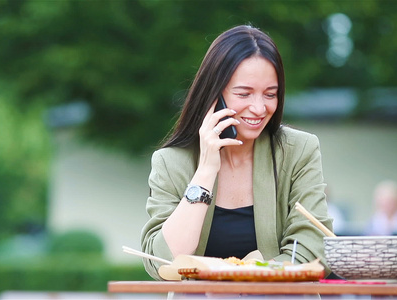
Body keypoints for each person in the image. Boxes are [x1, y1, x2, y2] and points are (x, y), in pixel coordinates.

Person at [141, 25, 333, 280]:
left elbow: (313, 250)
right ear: (214, 96)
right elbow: (163, 261)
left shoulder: (298, 151)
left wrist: (240, 277)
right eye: (244, 93)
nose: (259, 108)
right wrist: (206, 172)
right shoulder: (172, 162)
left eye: (270, 94)